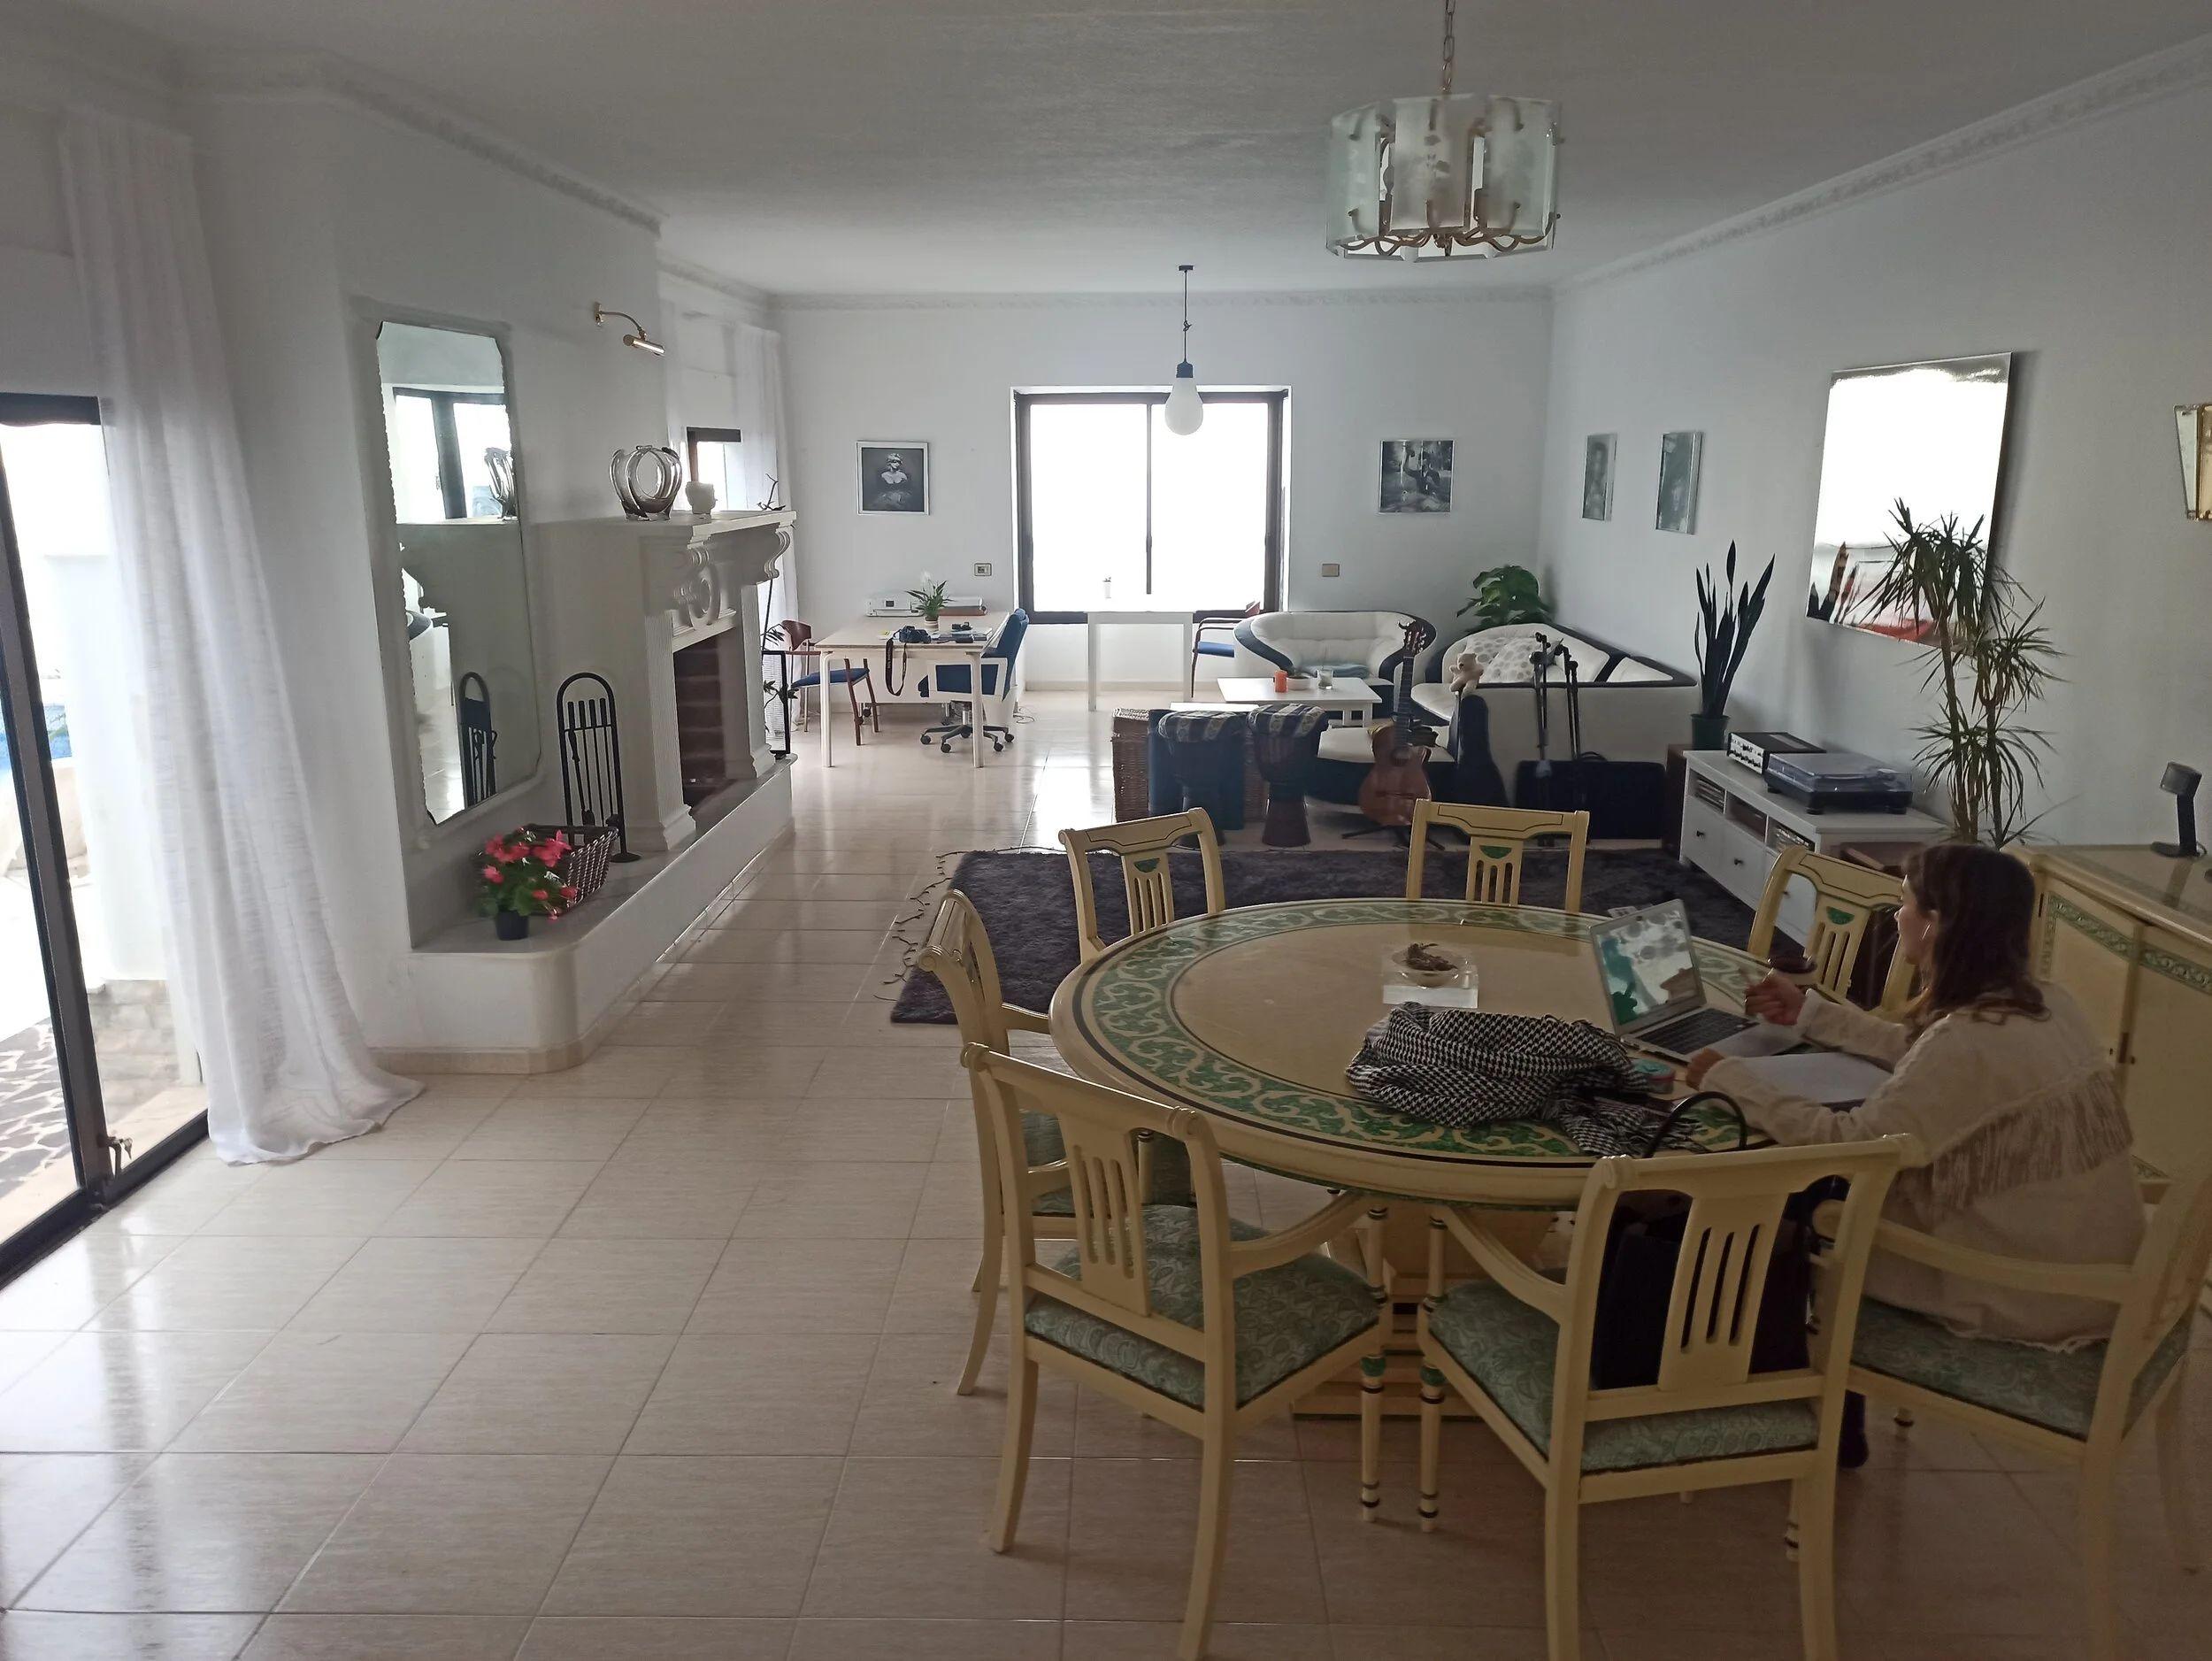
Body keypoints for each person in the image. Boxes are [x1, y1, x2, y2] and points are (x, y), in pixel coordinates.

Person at [1687, 842, 2143, 1350]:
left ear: (1935, 924)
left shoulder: (1968, 1042)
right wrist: (1811, 1014)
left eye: (1905, 902)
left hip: (2029, 1294)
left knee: (1785, 1202)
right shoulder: (2049, 1004)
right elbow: (1920, 1050)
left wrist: (1729, 1078)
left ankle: (1735, 1354)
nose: (1898, 915)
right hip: (2088, 1271)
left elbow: (1850, 1146)